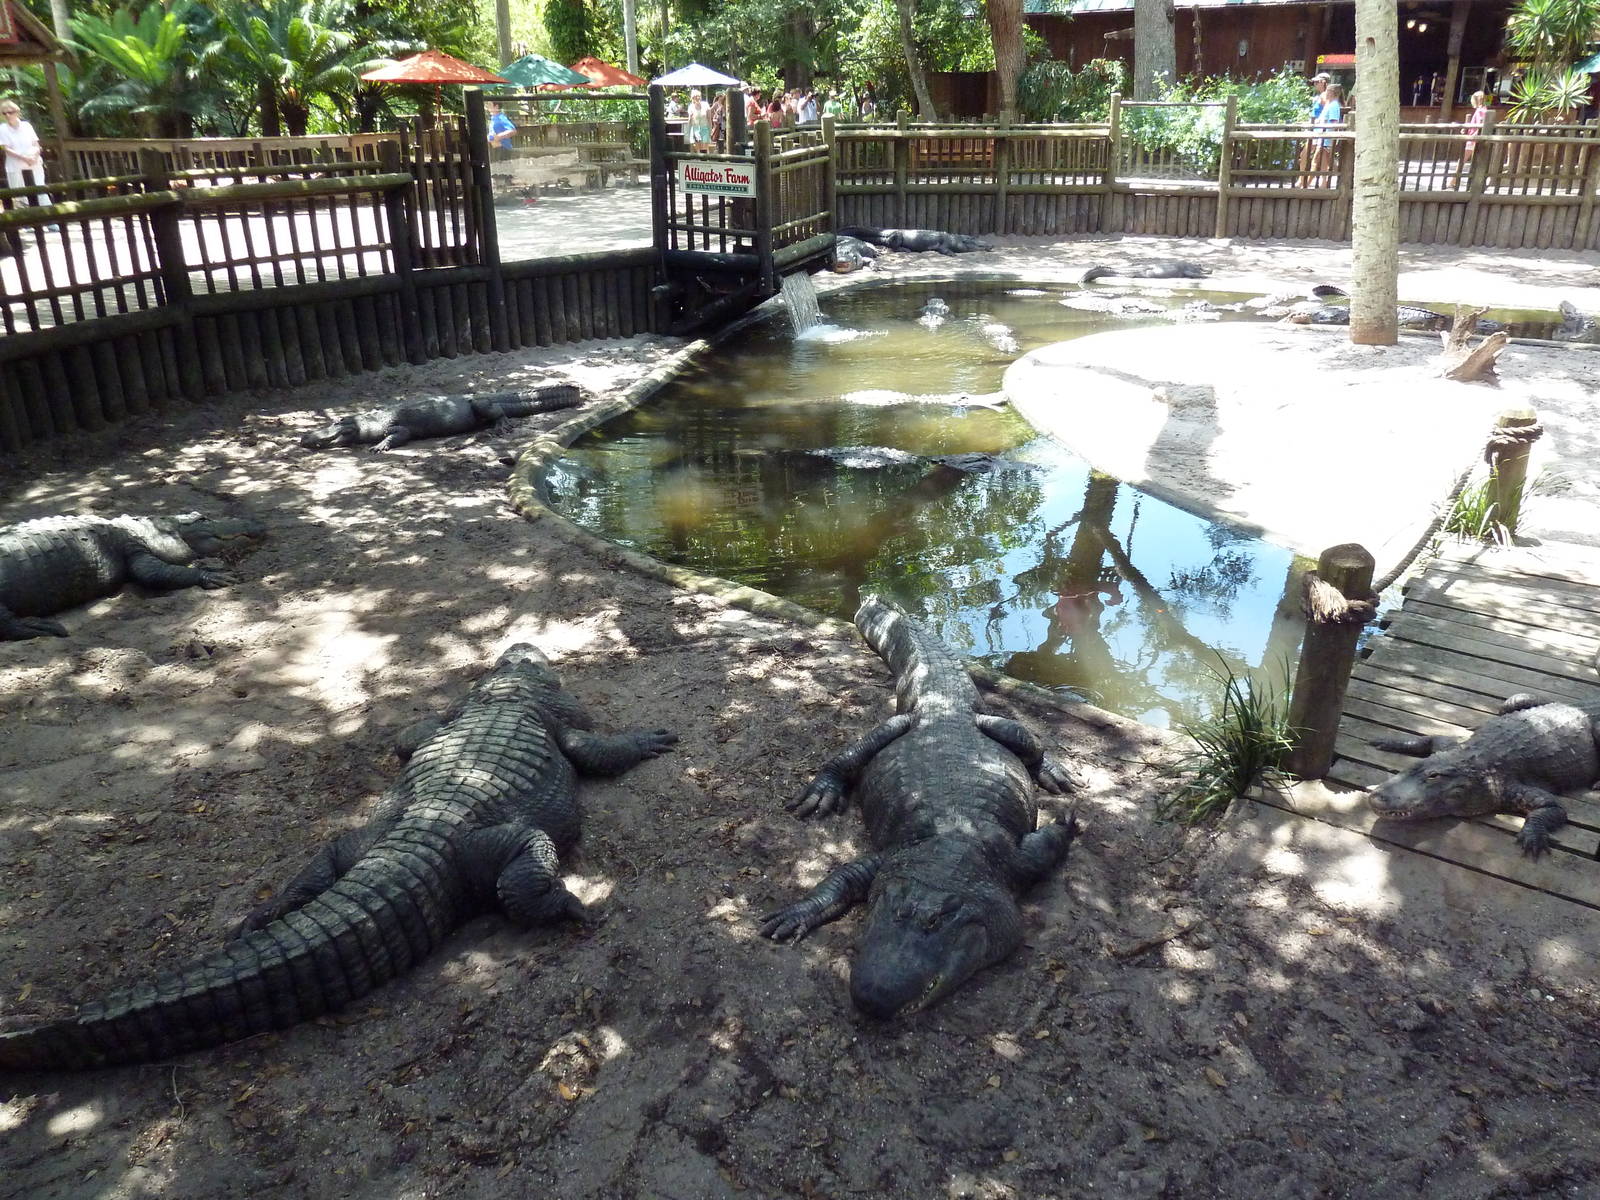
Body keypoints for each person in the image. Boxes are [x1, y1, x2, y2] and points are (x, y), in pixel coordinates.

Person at [1, 99, 46, 256]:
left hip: (33, 163)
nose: (8, 115)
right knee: (19, 193)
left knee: (39, 188)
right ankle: (27, 221)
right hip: (16, 165)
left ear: (17, 112)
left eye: (10, 112)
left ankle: (46, 218)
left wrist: (34, 155)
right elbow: (6, 149)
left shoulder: (27, 126)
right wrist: (23, 157)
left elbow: (36, 144)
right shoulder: (2, 129)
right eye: (4, 113)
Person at [1297, 72, 1329, 185]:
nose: (1315, 84)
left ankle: (1303, 181)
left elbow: (1326, 112)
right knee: (1316, 157)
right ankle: (1304, 180)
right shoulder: (1321, 95)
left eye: (1316, 82)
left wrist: (1318, 121)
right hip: (1316, 128)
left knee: (1308, 155)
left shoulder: (1325, 96)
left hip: (1319, 129)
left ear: (1323, 82)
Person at [1456, 89, 1492, 186]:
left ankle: (1453, 180)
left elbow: (1480, 123)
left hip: (1473, 138)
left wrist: (1474, 135)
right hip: (1475, 137)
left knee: (1463, 159)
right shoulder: (1483, 110)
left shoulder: (1480, 111)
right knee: (1478, 160)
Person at [1312, 82, 1343, 186]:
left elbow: (1334, 122)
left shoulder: (1334, 105)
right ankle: (1323, 183)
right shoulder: (1329, 104)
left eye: (1327, 91)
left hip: (1326, 138)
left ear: (1332, 93)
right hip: (1322, 137)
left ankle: (1304, 183)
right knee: (1323, 162)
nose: (1326, 93)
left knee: (1316, 161)